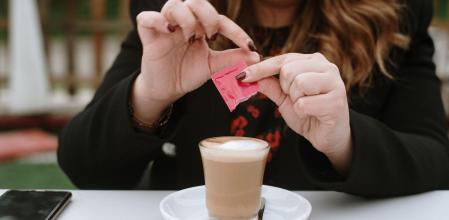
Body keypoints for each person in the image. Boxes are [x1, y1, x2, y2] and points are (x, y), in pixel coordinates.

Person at [58, 0, 449, 197]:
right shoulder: (178, 16)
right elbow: (84, 167)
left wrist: (343, 142)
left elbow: (435, 161)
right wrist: (150, 95)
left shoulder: (393, 17)